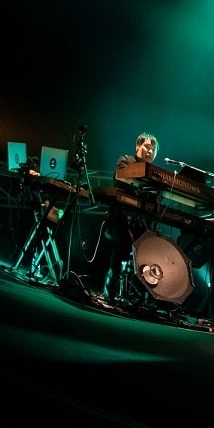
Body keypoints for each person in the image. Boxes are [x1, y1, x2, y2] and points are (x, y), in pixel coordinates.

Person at [86, 131, 160, 306]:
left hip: (141, 222)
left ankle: (143, 298)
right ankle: (110, 291)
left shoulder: (155, 174)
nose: (150, 151)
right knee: (124, 242)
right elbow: (122, 180)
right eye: (147, 147)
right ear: (137, 146)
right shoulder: (125, 160)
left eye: (153, 149)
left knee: (152, 246)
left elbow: (156, 198)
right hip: (119, 218)